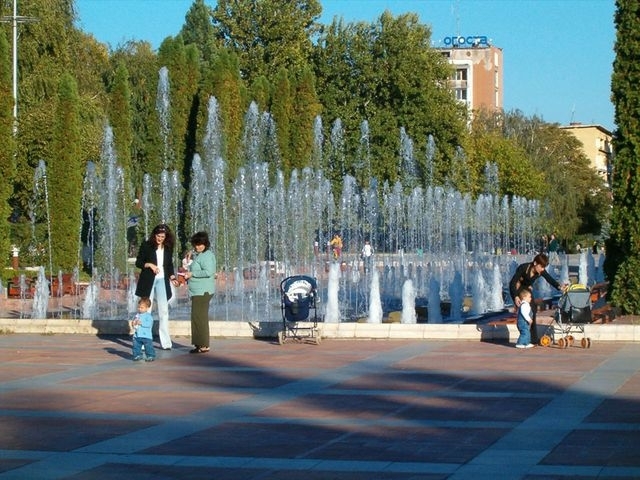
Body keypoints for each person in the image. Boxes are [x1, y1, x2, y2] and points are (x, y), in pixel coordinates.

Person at [135, 224, 179, 350]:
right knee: (146, 311)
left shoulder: (168, 247)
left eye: (162, 237)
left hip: (162, 281)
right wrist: (149, 265)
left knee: (164, 312)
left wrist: (173, 278)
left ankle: (165, 342)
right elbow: (139, 262)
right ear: (154, 235)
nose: (160, 239)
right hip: (148, 281)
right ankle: (144, 341)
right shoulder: (147, 245)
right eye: (158, 236)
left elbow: (169, 265)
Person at [509, 253, 565, 345]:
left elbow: (549, 279)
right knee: (524, 311)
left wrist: (559, 287)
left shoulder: (540, 271)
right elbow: (513, 282)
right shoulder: (523, 268)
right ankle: (524, 336)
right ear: (535, 263)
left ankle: (533, 339)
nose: (542, 269)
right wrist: (515, 296)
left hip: (526, 289)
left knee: (533, 310)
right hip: (517, 288)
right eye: (541, 266)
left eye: (544, 267)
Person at [183, 231, 216, 354]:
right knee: (197, 317)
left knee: (200, 318)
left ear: (205, 243)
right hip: (198, 291)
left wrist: (192, 274)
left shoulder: (207, 255)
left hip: (203, 291)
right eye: (196, 244)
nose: (198, 247)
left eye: (201, 244)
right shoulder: (201, 255)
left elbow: (209, 272)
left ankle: (203, 344)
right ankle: (199, 344)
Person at [131, 297, 155, 361]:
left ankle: (150, 355)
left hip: (146, 335)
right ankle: (137, 355)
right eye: (139, 307)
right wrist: (133, 323)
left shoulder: (148, 316)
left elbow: (149, 324)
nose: (140, 309)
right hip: (137, 335)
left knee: (148, 347)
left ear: (147, 308)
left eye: (142, 308)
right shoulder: (137, 315)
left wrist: (141, 323)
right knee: (136, 346)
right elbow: (134, 323)